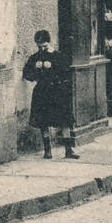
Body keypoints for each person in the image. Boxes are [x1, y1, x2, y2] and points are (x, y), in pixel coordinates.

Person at [22, 30, 78, 160]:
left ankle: (68, 150)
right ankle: (47, 151)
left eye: (44, 46)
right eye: (39, 47)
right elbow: (27, 74)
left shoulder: (58, 56)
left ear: (50, 43)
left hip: (58, 91)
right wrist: (36, 69)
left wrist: (52, 66)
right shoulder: (35, 58)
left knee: (64, 120)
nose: (42, 49)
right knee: (43, 121)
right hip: (42, 92)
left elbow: (65, 72)